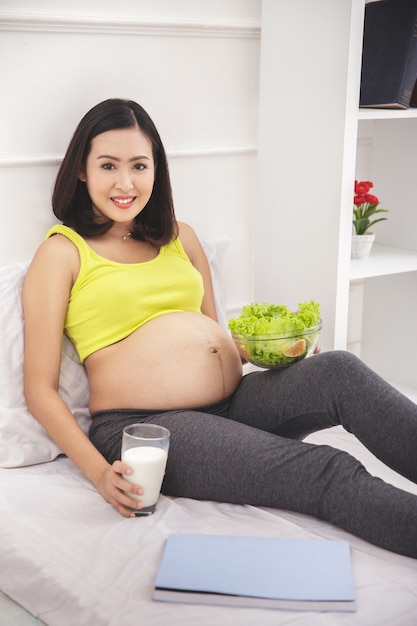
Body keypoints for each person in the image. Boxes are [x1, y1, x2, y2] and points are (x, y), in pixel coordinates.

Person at [23, 98, 417, 559]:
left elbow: (216, 338)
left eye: (139, 165)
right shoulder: (63, 252)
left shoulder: (179, 236)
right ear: (82, 171)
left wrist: (271, 349)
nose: (125, 183)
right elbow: (40, 390)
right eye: (108, 165)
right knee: (326, 468)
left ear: (157, 170)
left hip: (235, 400)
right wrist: (98, 473)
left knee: (341, 371)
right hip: (148, 427)